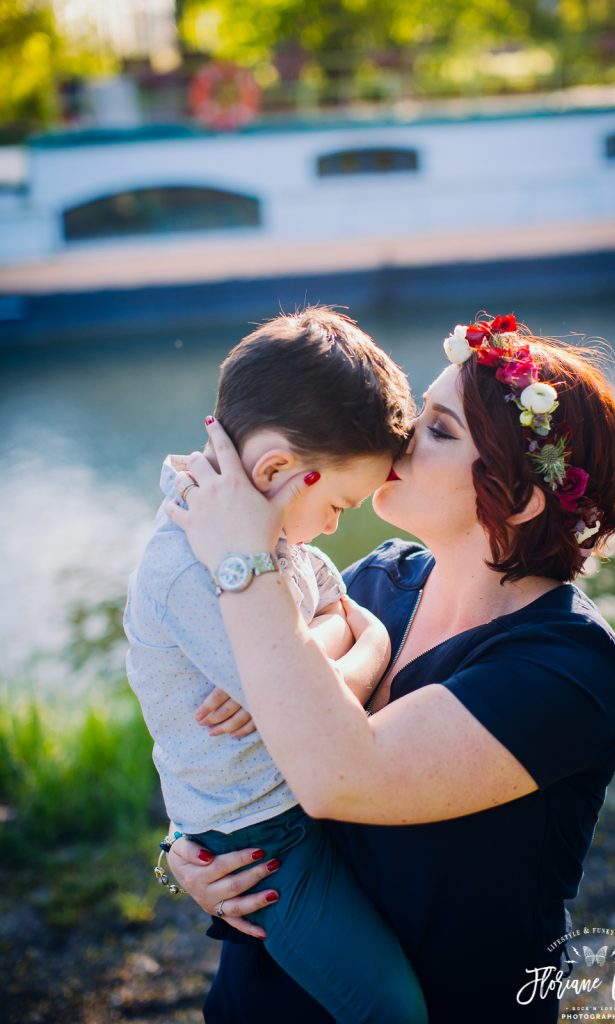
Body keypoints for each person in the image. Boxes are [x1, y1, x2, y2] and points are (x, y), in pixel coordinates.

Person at [164, 312, 615, 1024]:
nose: (402, 440)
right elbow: (221, 730)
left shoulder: (568, 671)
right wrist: (186, 852)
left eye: (440, 431)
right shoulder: (379, 578)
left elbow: (337, 776)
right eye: (422, 414)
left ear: (517, 496)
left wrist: (240, 552)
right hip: (264, 997)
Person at [124, 308, 432, 1023]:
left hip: (294, 802)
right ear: (274, 468)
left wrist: (328, 637)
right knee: (389, 1009)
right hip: (259, 841)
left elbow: (328, 603)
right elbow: (317, 706)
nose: (332, 527)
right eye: (335, 504)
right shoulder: (191, 570)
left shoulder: (259, 534)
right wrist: (365, 641)